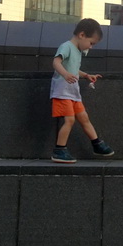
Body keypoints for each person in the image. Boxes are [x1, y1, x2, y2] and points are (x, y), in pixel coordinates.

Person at [50, 18, 114, 163]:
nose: (91, 47)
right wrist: (65, 74)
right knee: (70, 120)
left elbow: (73, 68)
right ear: (82, 35)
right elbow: (56, 62)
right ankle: (59, 150)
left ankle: (97, 144)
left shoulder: (78, 51)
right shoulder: (66, 46)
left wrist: (86, 75)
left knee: (84, 117)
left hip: (73, 92)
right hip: (62, 91)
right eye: (91, 43)